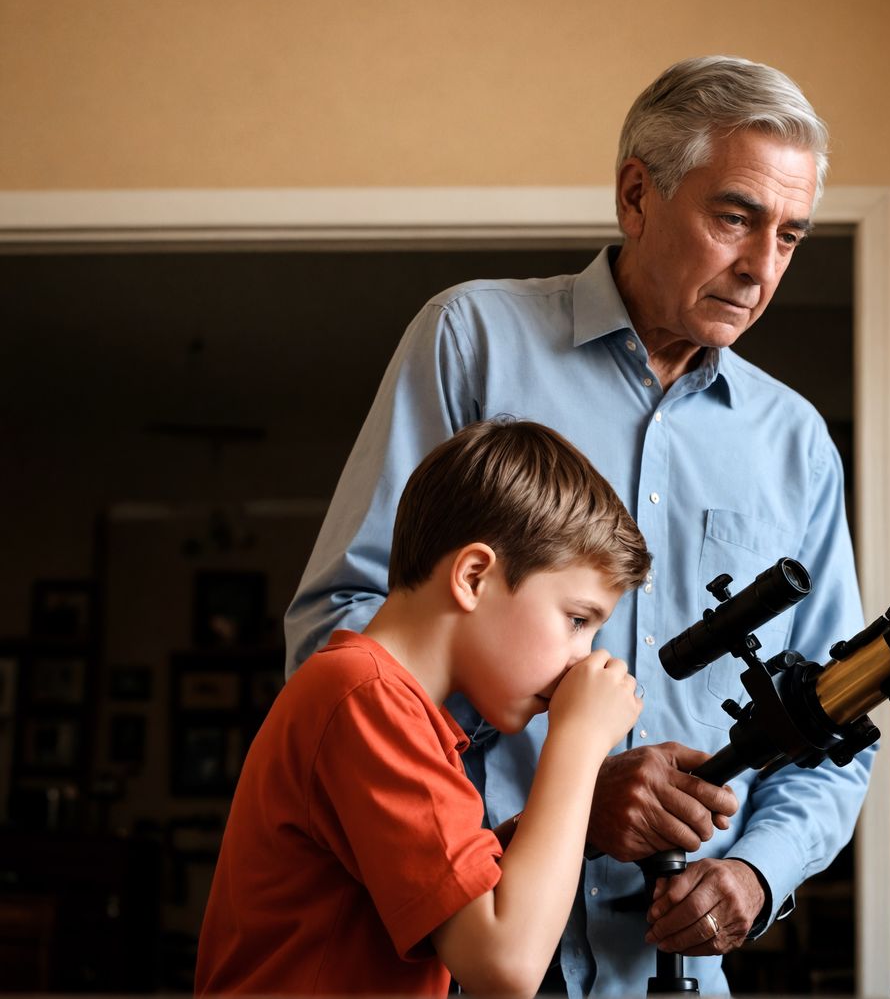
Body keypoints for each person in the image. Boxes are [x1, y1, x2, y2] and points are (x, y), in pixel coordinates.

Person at [284, 55, 874, 995]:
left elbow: (840, 717)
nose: (762, 265)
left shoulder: (796, 444)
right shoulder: (471, 339)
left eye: (791, 235)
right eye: (734, 216)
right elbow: (346, 634)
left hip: (672, 970)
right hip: (464, 947)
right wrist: (566, 797)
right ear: (636, 195)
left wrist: (759, 872)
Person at [198, 419, 651, 996]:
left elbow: (468, 897)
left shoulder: (390, 705)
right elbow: (503, 966)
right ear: (474, 576)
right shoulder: (365, 698)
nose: (581, 660)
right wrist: (579, 742)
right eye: (577, 620)